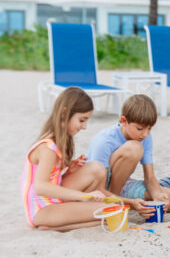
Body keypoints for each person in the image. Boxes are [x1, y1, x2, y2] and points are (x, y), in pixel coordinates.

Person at [21, 87, 107, 231]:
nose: (84, 127)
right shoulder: (48, 148)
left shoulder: (56, 143)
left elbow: (51, 180)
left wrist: (68, 172)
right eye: (82, 120)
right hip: (42, 209)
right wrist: (83, 196)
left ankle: (62, 220)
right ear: (64, 113)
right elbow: (40, 187)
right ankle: (53, 226)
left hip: (51, 202)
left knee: (97, 168)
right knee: (109, 212)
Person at [87, 94, 170, 218]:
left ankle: (122, 202)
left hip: (123, 185)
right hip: (101, 189)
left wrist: (157, 195)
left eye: (149, 129)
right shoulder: (104, 140)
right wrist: (129, 202)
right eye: (140, 128)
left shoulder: (144, 137)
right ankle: (115, 205)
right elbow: (98, 187)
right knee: (134, 148)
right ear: (124, 121)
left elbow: (150, 176)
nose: (145, 134)